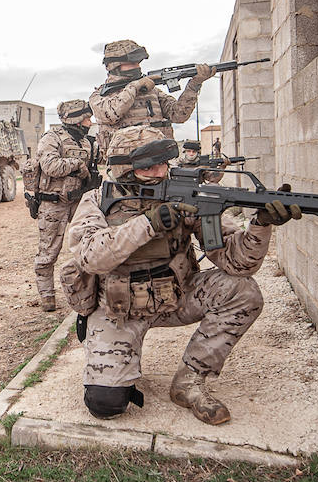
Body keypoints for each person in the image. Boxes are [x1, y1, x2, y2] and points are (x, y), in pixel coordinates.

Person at [61, 125, 301, 425]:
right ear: (124, 169)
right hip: (119, 309)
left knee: (243, 291)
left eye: (163, 163)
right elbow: (90, 256)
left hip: (177, 297)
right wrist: (149, 223)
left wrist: (261, 223)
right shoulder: (96, 200)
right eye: (148, 167)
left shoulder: (185, 195)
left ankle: (189, 381)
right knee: (106, 404)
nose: (160, 172)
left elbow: (238, 264)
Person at [89, 39, 212, 159]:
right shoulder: (99, 96)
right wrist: (135, 87)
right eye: (132, 63)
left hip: (158, 162)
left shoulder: (152, 91)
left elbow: (179, 115)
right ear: (114, 66)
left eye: (138, 63)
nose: (137, 67)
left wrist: (194, 85)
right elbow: (111, 114)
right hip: (124, 166)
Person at [32, 100, 98, 313]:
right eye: (87, 118)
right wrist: (77, 165)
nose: (90, 122)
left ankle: (86, 292)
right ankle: (47, 296)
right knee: (48, 253)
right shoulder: (51, 138)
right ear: (76, 119)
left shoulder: (86, 142)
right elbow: (50, 166)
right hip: (53, 203)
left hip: (78, 202)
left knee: (88, 246)